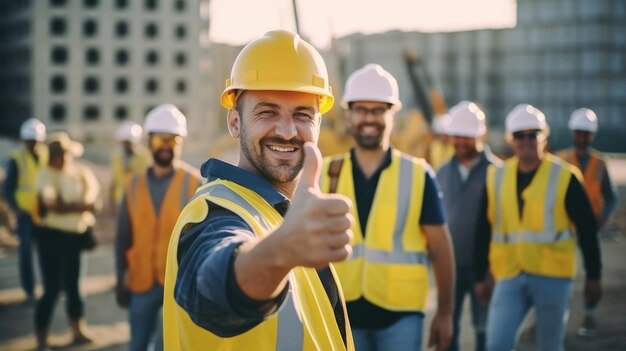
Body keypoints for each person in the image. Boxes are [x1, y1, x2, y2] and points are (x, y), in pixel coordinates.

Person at [163, 30, 354, 351]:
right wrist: (281, 251)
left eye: (303, 115)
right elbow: (212, 285)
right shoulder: (216, 212)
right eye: (267, 112)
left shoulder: (284, 213)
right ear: (235, 123)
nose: (287, 130)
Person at [320, 63, 455, 351]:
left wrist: (445, 314)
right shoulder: (324, 173)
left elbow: (442, 250)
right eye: (361, 110)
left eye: (378, 110)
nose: (369, 118)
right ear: (349, 115)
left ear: (393, 115)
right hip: (341, 314)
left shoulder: (419, 175)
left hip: (401, 318)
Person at [474, 104, 602, 351]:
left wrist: (594, 276)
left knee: (550, 346)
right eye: (519, 136)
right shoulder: (496, 177)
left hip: (553, 276)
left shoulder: (565, 176)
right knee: (496, 344)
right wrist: (481, 275)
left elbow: (587, 229)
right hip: (510, 276)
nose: (526, 141)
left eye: (533, 134)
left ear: (544, 136)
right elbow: (484, 228)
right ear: (511, 139)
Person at [114, 104, 202, 351]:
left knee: (170, 345)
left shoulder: (196, 183)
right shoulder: (131, 184)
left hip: (179, 283)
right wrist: (120, 277)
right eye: (160, 140)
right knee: (138, 344)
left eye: (172, 140)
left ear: (181, 143)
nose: (165, 146)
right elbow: (122, 237)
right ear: (148, 142)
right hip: (140, 280)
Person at [436, 101, 501, 351]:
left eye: (467, 136)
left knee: (485, 332)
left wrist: (492, 273)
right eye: (457, 136)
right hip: (449, 268)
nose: (461, 142)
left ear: (480, 135)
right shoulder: (441, 172)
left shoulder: (497, 172)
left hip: (485, 270)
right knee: (448, 332)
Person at [34, 132, 101, 351]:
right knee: (51, 287)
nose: (61, 158)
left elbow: (94, 201)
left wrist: (71, 206)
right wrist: (80, 207)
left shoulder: (80, 172)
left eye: (63, 154)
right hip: (51, 236)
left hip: (75, 237)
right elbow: (53, 205)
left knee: (75, 286)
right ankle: (42, 335)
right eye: (57, 154)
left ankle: (77, 329)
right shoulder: (45, 175)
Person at [556, 107, 618, 336]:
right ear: (573, 133)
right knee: (559, 273)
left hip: (590, 227)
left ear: (592, 135)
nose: (582, 137)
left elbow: (611, 196)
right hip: (564, 227)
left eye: (586, 133)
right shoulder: (561, 160)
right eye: (578, 132)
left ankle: (589, 315)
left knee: (592, 272)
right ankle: (550, 317)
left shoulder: (600, 163)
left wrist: (604, 216)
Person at [3, 118, 47, 301]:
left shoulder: (45, 155)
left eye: (35, 140)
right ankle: (29, 290)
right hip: (25, 214)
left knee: (47, 251)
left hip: (44, 212)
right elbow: (8, 187)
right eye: (29, 140)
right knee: (26, 251)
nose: (32, 144)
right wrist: (15, 208)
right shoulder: (16, 158)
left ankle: (50, 287)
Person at [109, 120, 151, 211]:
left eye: (128, 142)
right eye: (124, 142)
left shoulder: (146, 155)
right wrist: (111, 200)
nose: (126, 145)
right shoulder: (116, 156)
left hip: (139, 200)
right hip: (120, 200)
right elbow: (115, 180)